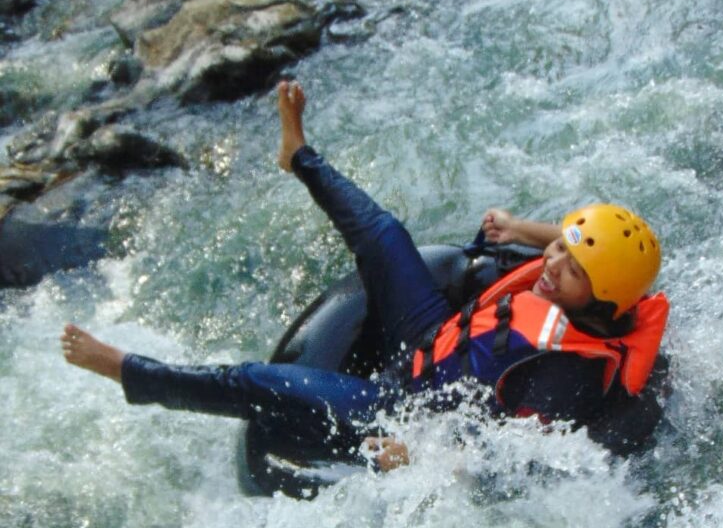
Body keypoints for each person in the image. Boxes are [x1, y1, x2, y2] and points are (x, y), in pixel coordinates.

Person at [61, 81, 668, 477]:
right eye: (558, 249)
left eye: (573, 269)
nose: (554, 266)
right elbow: (563, 243)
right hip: (432, 335)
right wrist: (520, 227)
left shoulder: (571, 370)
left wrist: (424, 456)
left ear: (604, 295)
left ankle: (127, 369)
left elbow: (518, 455)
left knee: (257, 379)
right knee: (383, 233)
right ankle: (297, 153)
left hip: (408, 410)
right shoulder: (567, 280)